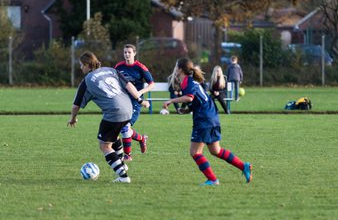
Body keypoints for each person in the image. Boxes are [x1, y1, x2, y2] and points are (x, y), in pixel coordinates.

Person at [162, 58, 252, 186]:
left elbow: (189, 97)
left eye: (177, 67)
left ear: (180, 69)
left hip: (204, 119)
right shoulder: (192, 81)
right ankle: (244, 166)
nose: (175, 69)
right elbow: (198, 100)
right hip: (212, 117)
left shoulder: (188, 82)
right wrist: (186, 110)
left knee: (195, 152)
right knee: (216, 150)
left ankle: (213, 179)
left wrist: (171, 101)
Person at [67, 51, 150, 183]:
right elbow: (129, 86)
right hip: (128, 108)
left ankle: (123, 176)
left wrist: (72, 119)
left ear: (88, 65)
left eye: (82, 65)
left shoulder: (87, 81)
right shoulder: (111, 70)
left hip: (114, 112)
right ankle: (122, 163)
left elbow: (76, 105)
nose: (81, 68)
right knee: (114, 135)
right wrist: (140, 101)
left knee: (104, 146)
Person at [114, 44, 155, 161]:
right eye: (125, 52)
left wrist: (140, 92)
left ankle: (127, 156)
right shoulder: (119, 66)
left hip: (136, 101)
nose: (127, 54)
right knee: (123, 127)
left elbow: (152, 84)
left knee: (125, 127)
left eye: (129, 52)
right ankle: (141, 139)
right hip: (123, 100)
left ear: (134, 53)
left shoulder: (140, 67)